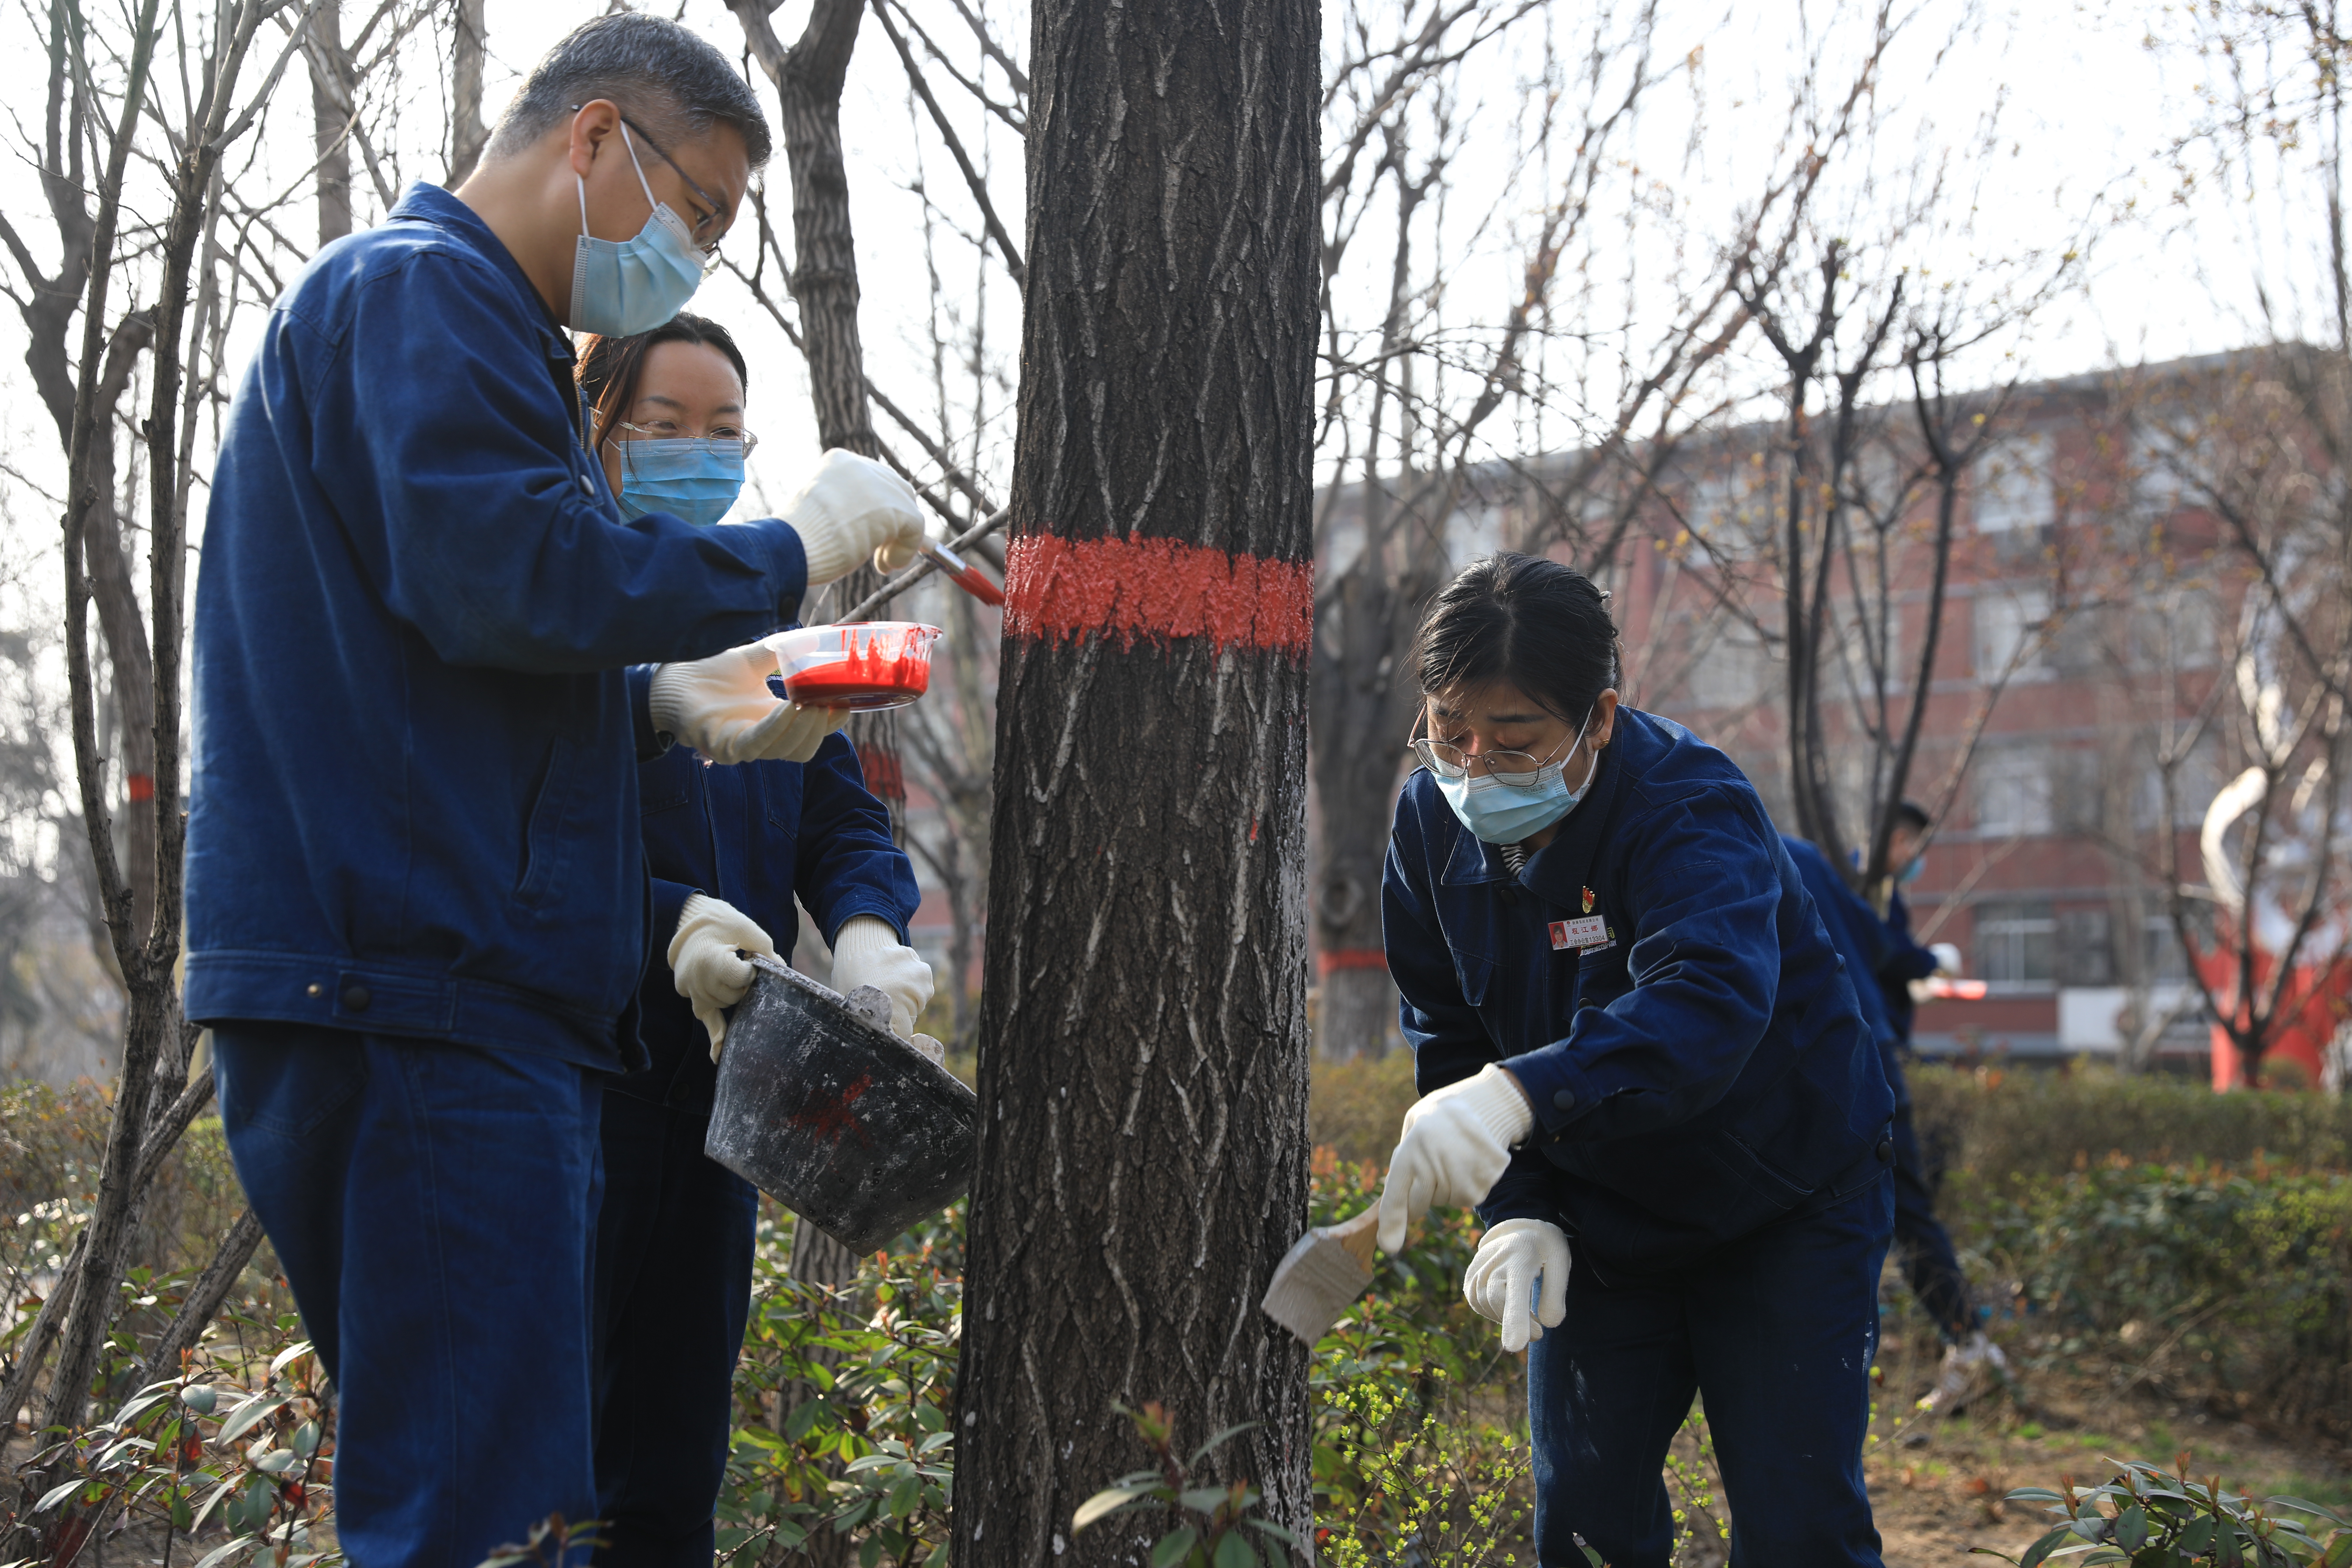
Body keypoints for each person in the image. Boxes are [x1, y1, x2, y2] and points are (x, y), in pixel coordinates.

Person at [184, 17, 932, 1566]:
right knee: (486, 1521)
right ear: (594, 139)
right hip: (426, 999)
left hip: (433, 992)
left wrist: (654, 702)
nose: (698, 261)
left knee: (507, 1494)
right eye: (700, 214)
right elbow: (511, 575)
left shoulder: (458, 332)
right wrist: (787, 549)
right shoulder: (422, 294)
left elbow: (453, 646)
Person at [1375, 553, 1896, 1567]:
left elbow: (1707, 1007)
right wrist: (1517, 1206)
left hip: (1784, 1196)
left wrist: (1521, 1094)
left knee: (1799, 1527)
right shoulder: (1428, 823)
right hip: (1595, 1216)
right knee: (1583, 1522)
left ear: (1600, 718)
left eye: (1516, 738)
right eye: (1450, 730)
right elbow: (1450, 1031)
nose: (1475, 765)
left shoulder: (1687, 807)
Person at [574, 314, 933, 1566]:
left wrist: (873, 937)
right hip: (576, 1096)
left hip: (723, 1105)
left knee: (672, 1474)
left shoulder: (764, 642)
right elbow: (506, 838)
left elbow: (838, 816)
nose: (695, 453)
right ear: (596, 436)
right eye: (660, 428)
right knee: (544, 1467)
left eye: (722, 432)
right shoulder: (559, 627)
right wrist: (659, 924)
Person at [1874, 802, 2008, 1415]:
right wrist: (1927, 963)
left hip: (1864, 1058)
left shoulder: (1865, 884)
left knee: (1898, 1208)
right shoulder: (1864, 886)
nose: (1916, 860)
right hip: (1864, 1063)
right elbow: (1884, 951)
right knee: (1904, 1206)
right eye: (1913, 846)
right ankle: (1966, 1339)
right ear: (1900, 840)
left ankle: (1966, 1339)